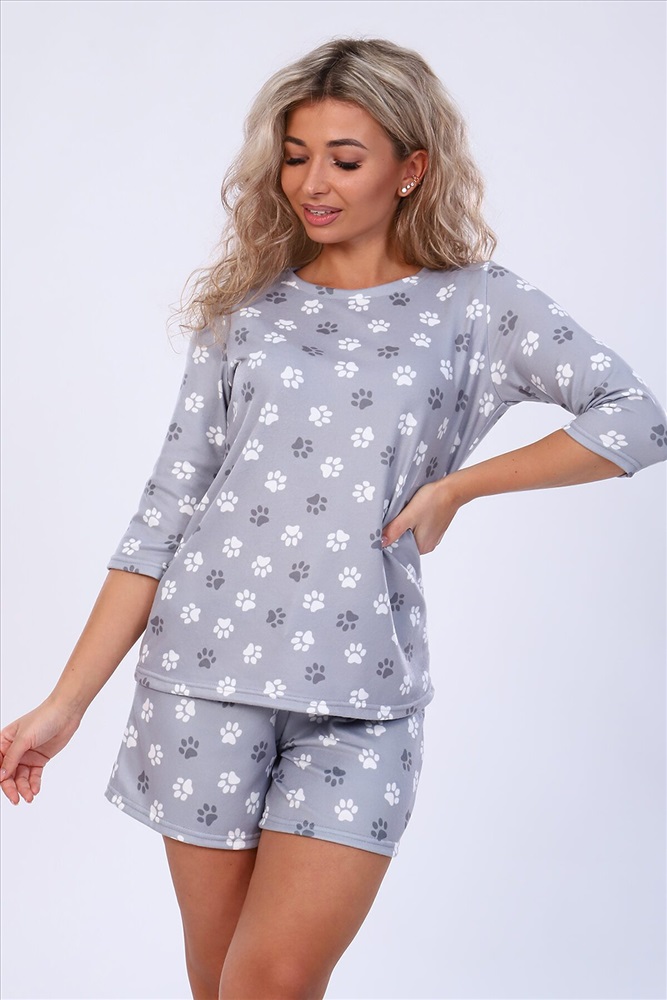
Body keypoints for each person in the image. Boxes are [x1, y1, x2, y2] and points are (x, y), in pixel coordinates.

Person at [1, 35, 665, 1000]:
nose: (312, 184)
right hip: (201, 681)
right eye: (295, 156)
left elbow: (637, 419)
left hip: (362, 694)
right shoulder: (245, 313)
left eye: (344, 160)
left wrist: (459, 486)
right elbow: (163, 518)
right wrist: (65, 704)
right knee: (223, 987)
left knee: (271, 981)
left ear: (411, 168)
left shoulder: (476, 307)